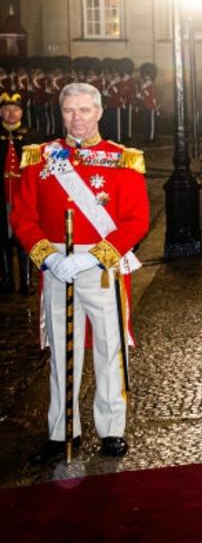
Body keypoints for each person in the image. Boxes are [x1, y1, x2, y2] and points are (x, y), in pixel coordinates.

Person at [11, 82, 149, 462]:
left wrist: (94, 257)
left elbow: (136, 221)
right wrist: (50, 258)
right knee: (61, 351)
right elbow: (22, 216)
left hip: (101, 267)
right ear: (61, 112)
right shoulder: (39, 158)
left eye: (85, 110)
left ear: (99, 112)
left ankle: (111, 430)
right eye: (70, 111)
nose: (77, 118)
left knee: (109, 348)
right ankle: (61, 431)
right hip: (56, 266)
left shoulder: (123, 160)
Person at [1, 92, 37, 294]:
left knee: (24, 239)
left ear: (22, 112)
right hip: (2, 197)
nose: (10, 113)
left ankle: (26, 280)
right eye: (6, 110)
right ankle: (6, 280)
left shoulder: (32, 135)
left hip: (23, 197)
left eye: (15, 109)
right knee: (3, 239)